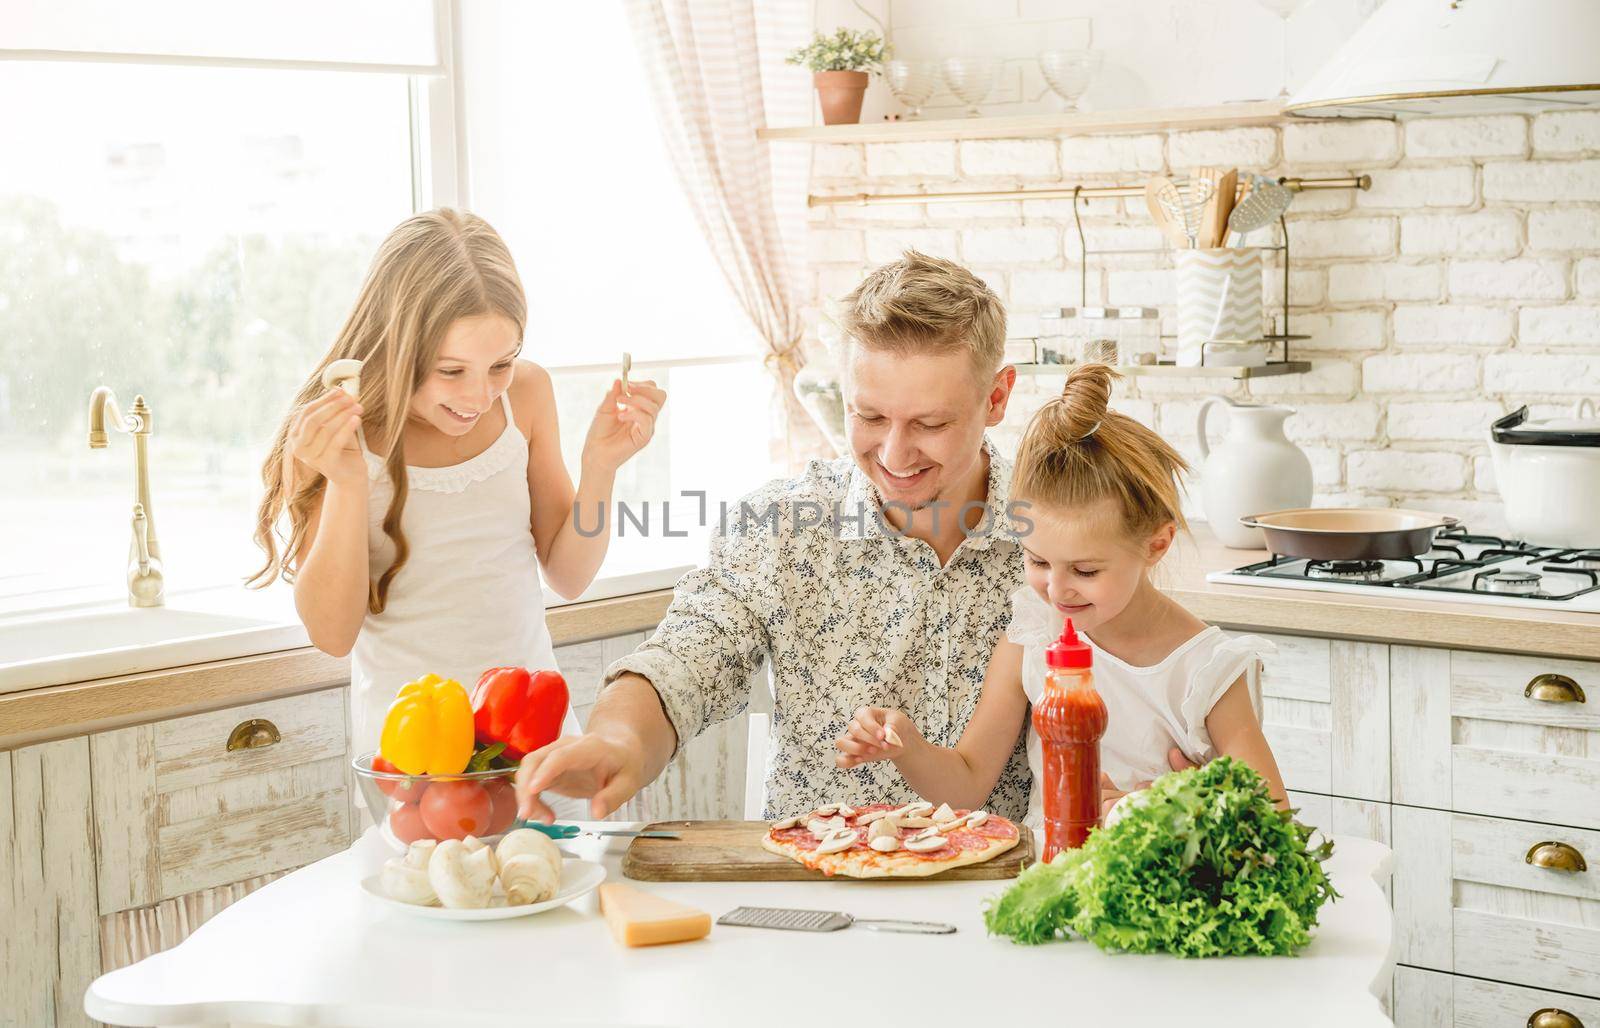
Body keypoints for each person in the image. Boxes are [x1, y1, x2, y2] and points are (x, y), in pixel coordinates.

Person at [514, 251, 1036, 823]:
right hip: (809, 887)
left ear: (997, 398)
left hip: (998, 889)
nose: (893, 454)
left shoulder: (1059, 538)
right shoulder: (780, 528)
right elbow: (686, 657)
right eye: (869, 416)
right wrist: (620, 738)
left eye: (930, 424)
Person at [249, 208, 666, 784]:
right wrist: (347, 485)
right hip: (412, 761)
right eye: (451, 371)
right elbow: (333, 634)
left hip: (538, 740)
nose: (478, 396)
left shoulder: (526, 395)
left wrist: (600, 469)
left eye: (500, 363)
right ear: (395, 347)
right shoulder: (334, 435)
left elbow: (570, 576)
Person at [833, 362, 1286, 826]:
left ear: (1156, 544)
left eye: (1086, 570)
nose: (1056, 589)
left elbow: (1272, 822)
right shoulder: (1035, 633)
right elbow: (967, 784)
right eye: (1038, 561)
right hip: (1048, 879)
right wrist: (907, 746)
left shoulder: (1206, 671)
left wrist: (1178, 809)